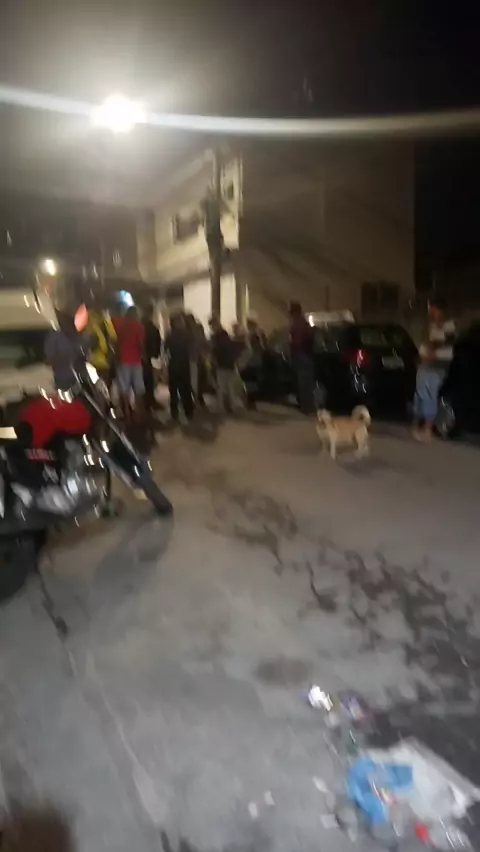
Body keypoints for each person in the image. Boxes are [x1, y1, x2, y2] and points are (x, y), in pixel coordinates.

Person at [113, 306, 146, 424]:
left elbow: (117, 342)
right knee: (138, 389)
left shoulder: (121, 326)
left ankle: (127, 413)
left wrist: (117, 357)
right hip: (136, 361)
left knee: (124, 389)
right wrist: (143, 355)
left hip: (123, 361)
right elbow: (140, 343)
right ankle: (138, 414)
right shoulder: (139, 326)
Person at [44, 311, 86, 391]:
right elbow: (49, 360)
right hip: (64, 379)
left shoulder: (78, 337)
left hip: (81, 379)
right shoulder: (54, 338)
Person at [165, 313, 194, 422]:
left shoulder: (170, 335)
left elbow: (165, 350)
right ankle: (188, 411)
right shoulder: (186, 334)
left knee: (173, 390)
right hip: (184, 364)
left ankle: (174, 412)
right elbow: (190, 348)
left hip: (173, 364)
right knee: (185, 389)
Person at [412, 342, 443, 442]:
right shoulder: (424, 347)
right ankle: (417, 428)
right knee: (421, 401)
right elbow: (423, 359)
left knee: (431, 403)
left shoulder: (442, 350)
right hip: (424, 375)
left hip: (433, 376)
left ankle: (427, 430)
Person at [289, 301, 315, 414]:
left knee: (303, 382)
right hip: (307, 355)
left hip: (301, 355)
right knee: (306, 382)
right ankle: (307, 406)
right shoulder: (304, 323)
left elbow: (297, 341)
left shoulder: (298, 324)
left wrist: (292, 348)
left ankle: (306, 407)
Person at [209, 315, 237, 413]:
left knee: (221, 386)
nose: (212, 328)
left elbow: (216, 349)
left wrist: (213, 359)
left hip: (221, 363)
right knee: (229, 386)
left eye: (212, 326)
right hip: (229, 363)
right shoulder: (226, 335)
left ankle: (221, 407)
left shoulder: (217, 337)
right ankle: (231, 406)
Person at [85, 307, 117, 385]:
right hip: (102, 362)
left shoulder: (88, 325)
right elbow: (113, 337)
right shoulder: (99, 323)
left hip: (96, 362)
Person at [142, 306, 162, 412]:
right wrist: (155, 353)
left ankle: (147, 402)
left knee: (146, 380)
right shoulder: (151, 327)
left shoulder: (141, 325)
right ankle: (148, 402)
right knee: (148, 380)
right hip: (147, 356)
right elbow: (157, 341)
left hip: (141, 357)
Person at [185, 313, 206, 407]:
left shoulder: (196, 328)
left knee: (199, 378)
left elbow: (202, 341)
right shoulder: (189, 330)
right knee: (194, 379)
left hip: (196, 356)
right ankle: (196, 397)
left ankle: (198, 397)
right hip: (193, 357)